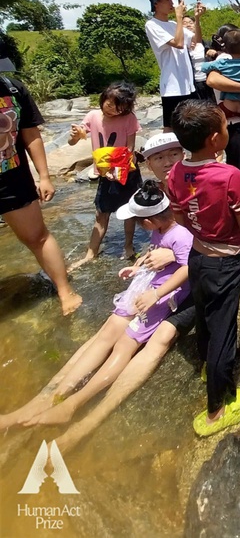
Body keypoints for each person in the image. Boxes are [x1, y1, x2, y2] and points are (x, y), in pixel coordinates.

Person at [0, 181, 191, 430]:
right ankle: (54, 397)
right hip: (147, 286)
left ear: (149, 222)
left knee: (124, 344)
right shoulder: (162, 230)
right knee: (108, 331)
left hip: (161, 295)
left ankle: (72, 404)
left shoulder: (181, 235)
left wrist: (156, 294)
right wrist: (138, 265)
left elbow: (190, 266)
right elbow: (156, 250)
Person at [53, 133, 196, 454]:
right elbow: (168, 245)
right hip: (156, 285)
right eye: (158, 157)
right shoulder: (161, 211)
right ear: (148, 162)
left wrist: (167, 268)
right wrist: (144, 266)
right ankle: (60, 398)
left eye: (173, 154)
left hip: (169, 294)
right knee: (114, 334)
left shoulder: (191, 190)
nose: (167, 162)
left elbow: (189, 255)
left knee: (130, 343)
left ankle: (74, 403)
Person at [167, 101, 240, 436]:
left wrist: (204, 226)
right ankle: (217, 409)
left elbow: (180, 217)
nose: (230, 130)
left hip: (197, 259)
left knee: (204, 316)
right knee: (224, 332)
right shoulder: (230, 175)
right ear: (215, 140)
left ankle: (205, 368)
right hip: (224, 264)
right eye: (226, 127)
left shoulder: (175, 172)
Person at [0, 43, 82, 316]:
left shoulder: (12, 88)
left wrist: (44, 176)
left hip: (12, 178)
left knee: (37, 236)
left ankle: (64, 290)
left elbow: (31, 134)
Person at [68, 81, 142, 268]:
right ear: (103, 98)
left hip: (126, 171)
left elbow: (130, 148)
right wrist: (76, 135)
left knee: (129, 212)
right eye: (110, 105)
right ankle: (90, 253)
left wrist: (118, 169)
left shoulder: (129, 118)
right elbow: (73, 141)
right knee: (101, 214)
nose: (113, 111)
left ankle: (128, 247)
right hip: (104, 174)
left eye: (119, 109)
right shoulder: (93, 115)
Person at [144, 0, 205, 131]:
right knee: (170, 127)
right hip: (172, 86)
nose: (171, 3)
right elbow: (178, 43)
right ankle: (169, 154)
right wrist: (179, 19)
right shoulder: (152, 25)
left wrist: (197, 19)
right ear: (156, 3)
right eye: (167, 0)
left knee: (191, 125)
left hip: (187, 84)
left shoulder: (172, 24)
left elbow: (196, 40)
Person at [204, 29, 240, 177]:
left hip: (227, 109)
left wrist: (213, 60)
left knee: (235, 160)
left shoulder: (222, 62)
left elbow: (204, 71)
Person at [182, 15, 211, 100]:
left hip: (209, 82)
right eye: (184, 23)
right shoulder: (181, 48)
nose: (188, 25)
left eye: (191, 23)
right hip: (192, 85)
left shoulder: (206, 44)